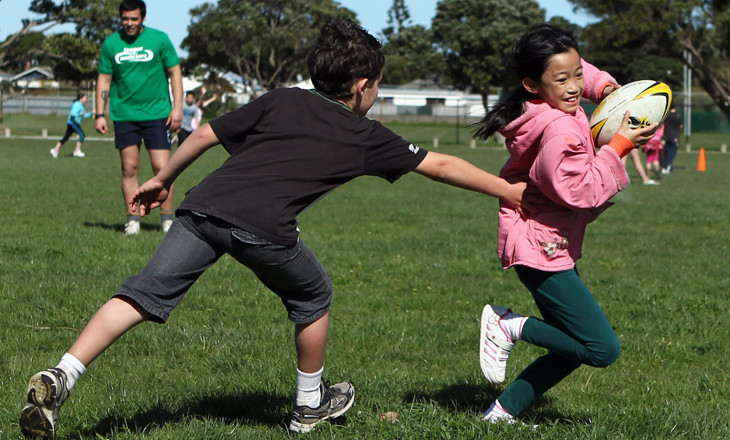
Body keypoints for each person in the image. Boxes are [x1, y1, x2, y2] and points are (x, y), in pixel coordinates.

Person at [19, 18, 532, 439]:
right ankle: (310, 405)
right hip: (263, 229)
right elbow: (440, 165)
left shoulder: (283, 98)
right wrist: (508, 191)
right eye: (376, 84)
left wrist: (163, 178)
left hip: (202, 209)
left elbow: (206, 133)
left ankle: (63, 373)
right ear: (362, 86)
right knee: (314, 295)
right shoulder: (364, 133)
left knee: (140, 294)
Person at [473, 24, 657, 425]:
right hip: (541, 248)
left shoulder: (554, 106)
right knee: (600, 348)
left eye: (577, 74)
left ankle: (501, 414)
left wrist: (607, 89)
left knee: (571, 344)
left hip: (548, 241)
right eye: (562, 79)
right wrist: (618, 147)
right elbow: (578, 191)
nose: (575, 85)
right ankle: (508, 326)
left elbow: (575, 69)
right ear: (532, 84)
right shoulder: (558, 128)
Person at [93, 0, 183, 235]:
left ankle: (167, 220)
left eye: (134, 19)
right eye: (125, 19)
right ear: (120, 18)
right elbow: (104, 79)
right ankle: (133, 219)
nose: (129, 23)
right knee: (129, 168)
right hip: (124, 115)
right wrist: (99, 113)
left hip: (157, 114)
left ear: (143, 18)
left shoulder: (160, 39)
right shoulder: (112, 43)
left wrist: (178, 108)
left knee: (163, 169)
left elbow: (175, 72)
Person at [50, 93, 93, 159]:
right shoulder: (77, 105)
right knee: (82, 135)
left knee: (66, 138)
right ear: (81, 98)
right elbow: (73, 114)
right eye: (85, 98)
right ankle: (76, 151)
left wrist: (91, 114)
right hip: (73, 123)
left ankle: (55, 150)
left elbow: (83, 115)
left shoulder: (81, 105)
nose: (86, 99)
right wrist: (79, 114)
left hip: (73, 123)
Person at [661, 105, 682, 173]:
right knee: (671, 153)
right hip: (675, 136)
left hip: (666, 136)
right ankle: (667, 166)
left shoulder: (666, 116)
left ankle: (665, 165)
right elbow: (680, 126)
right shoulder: (677, 116)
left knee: (666, 152)